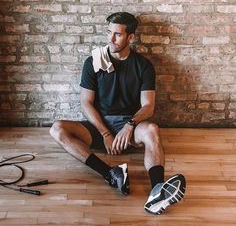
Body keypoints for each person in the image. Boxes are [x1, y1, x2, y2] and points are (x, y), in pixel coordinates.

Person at [50, 12, 186, 214]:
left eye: (118, 34)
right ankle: (111, 174)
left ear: (130, 37)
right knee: (57, 129)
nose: (111, 39)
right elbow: (86, 103)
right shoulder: (93, 62)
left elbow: (148, 106)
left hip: (129, 128)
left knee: (153, 130)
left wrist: (129, 126)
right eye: (109, 33)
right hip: (98, 127)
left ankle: (157, 190)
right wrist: (105, 133)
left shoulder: (144, 66)